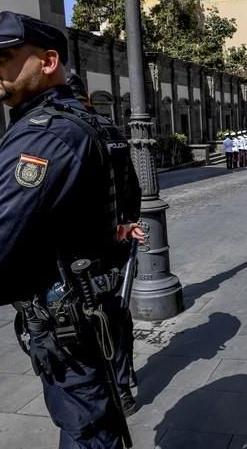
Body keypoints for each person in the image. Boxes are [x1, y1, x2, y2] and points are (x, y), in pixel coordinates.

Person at [0, 11, 132, 447]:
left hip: (68, 320)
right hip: (66, 313)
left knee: (86, 431)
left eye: (2, 55)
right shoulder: (35, 128)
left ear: (47, 62)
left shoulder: (46, 139)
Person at [66, 72, 144, 415]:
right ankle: (122, 384)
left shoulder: (54, 133)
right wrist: (126, 227)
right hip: (111, 247)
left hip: (78, 255)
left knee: (96, 323)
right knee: (114, 319)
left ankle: (114, 386)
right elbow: (134, 191)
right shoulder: (110, 131)